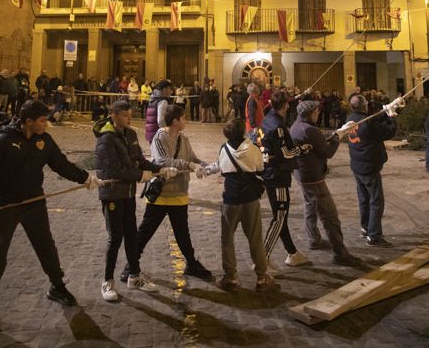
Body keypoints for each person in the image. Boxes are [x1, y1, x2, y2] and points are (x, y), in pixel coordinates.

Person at [0, 100, 97, 338]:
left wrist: (85, 178)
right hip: (5, 207)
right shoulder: (2, 142)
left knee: (45, 246)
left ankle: (57, 286)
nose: (46, 124)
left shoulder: (44, 141)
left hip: (34, 203)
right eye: (42, 120)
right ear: (28, 122)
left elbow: (61, 165)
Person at [94, 100, 176, 302]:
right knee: (115, 238)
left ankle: (134, 276)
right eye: (125, 115)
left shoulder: (130, 134)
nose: (130, 119)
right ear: (113, 116)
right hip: (112, 194)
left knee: (131, 234)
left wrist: (158, 169)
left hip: (128, 193)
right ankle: (107, 281)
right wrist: (142, 176)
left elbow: (140, 159)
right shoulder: (105, 140)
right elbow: (114, 170)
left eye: (130, 115)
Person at [123, 105, 213, 282]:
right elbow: (163, 160)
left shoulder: (183, 139)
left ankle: (191, 263)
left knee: (182, 233)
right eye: (184, 118)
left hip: (179, 194)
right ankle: (130, 266)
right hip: (162, 195)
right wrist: (189, 165)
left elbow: (192, 158)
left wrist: (204, 165)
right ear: (175, 121)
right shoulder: (159, 137)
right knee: (145, 232)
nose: (186, 121)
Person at [291, 99, 361, 266]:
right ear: (309, 113)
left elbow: (317, 142)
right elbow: (327, 152)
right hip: (314, 177)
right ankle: (340, 253)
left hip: (301, 175)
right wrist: (338, 138)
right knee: (330, 216)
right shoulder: (310, 130)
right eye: (316, 111)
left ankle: (314, 239)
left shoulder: (296, 126)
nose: (318, 113)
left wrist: (335, 133)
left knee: (309, 207)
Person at [210, 118, 275, 292]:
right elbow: (261, 168)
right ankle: (262, 277)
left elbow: (223, 170)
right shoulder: (253, 149)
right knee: (255, 238)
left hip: (231, 199)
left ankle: (230, 277)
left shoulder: (224, 149)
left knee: (227, 240)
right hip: (250, 199)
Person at [260, 91, 311, 266]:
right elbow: (286, 153)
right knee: (280, 217)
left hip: (268, 172)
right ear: (285, 106)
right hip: (277, 176)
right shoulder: (278, 126)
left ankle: (292, 253)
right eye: (288, 104)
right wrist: (302, 149)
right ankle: (262, 257)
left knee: (280, 216)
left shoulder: (266, 119)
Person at [346, 93, 400, 246]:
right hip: (369, 166)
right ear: (365, 106)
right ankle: (374, 236)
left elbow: (372, 121)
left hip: (357, 165)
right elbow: (387, 132)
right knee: (376, 201)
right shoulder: (368, 123)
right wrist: (392, 117)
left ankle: (365, 227)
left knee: (364, 199)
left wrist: (384, 111)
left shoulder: (351, 118)